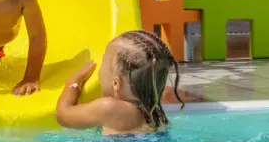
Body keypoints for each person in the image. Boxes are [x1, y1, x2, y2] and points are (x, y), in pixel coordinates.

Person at [56, 30, 184, 135]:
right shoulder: (154, 111)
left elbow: (63, 115)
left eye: (102, 64)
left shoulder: (108, 107)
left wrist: (73, 82)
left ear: (116, 83)